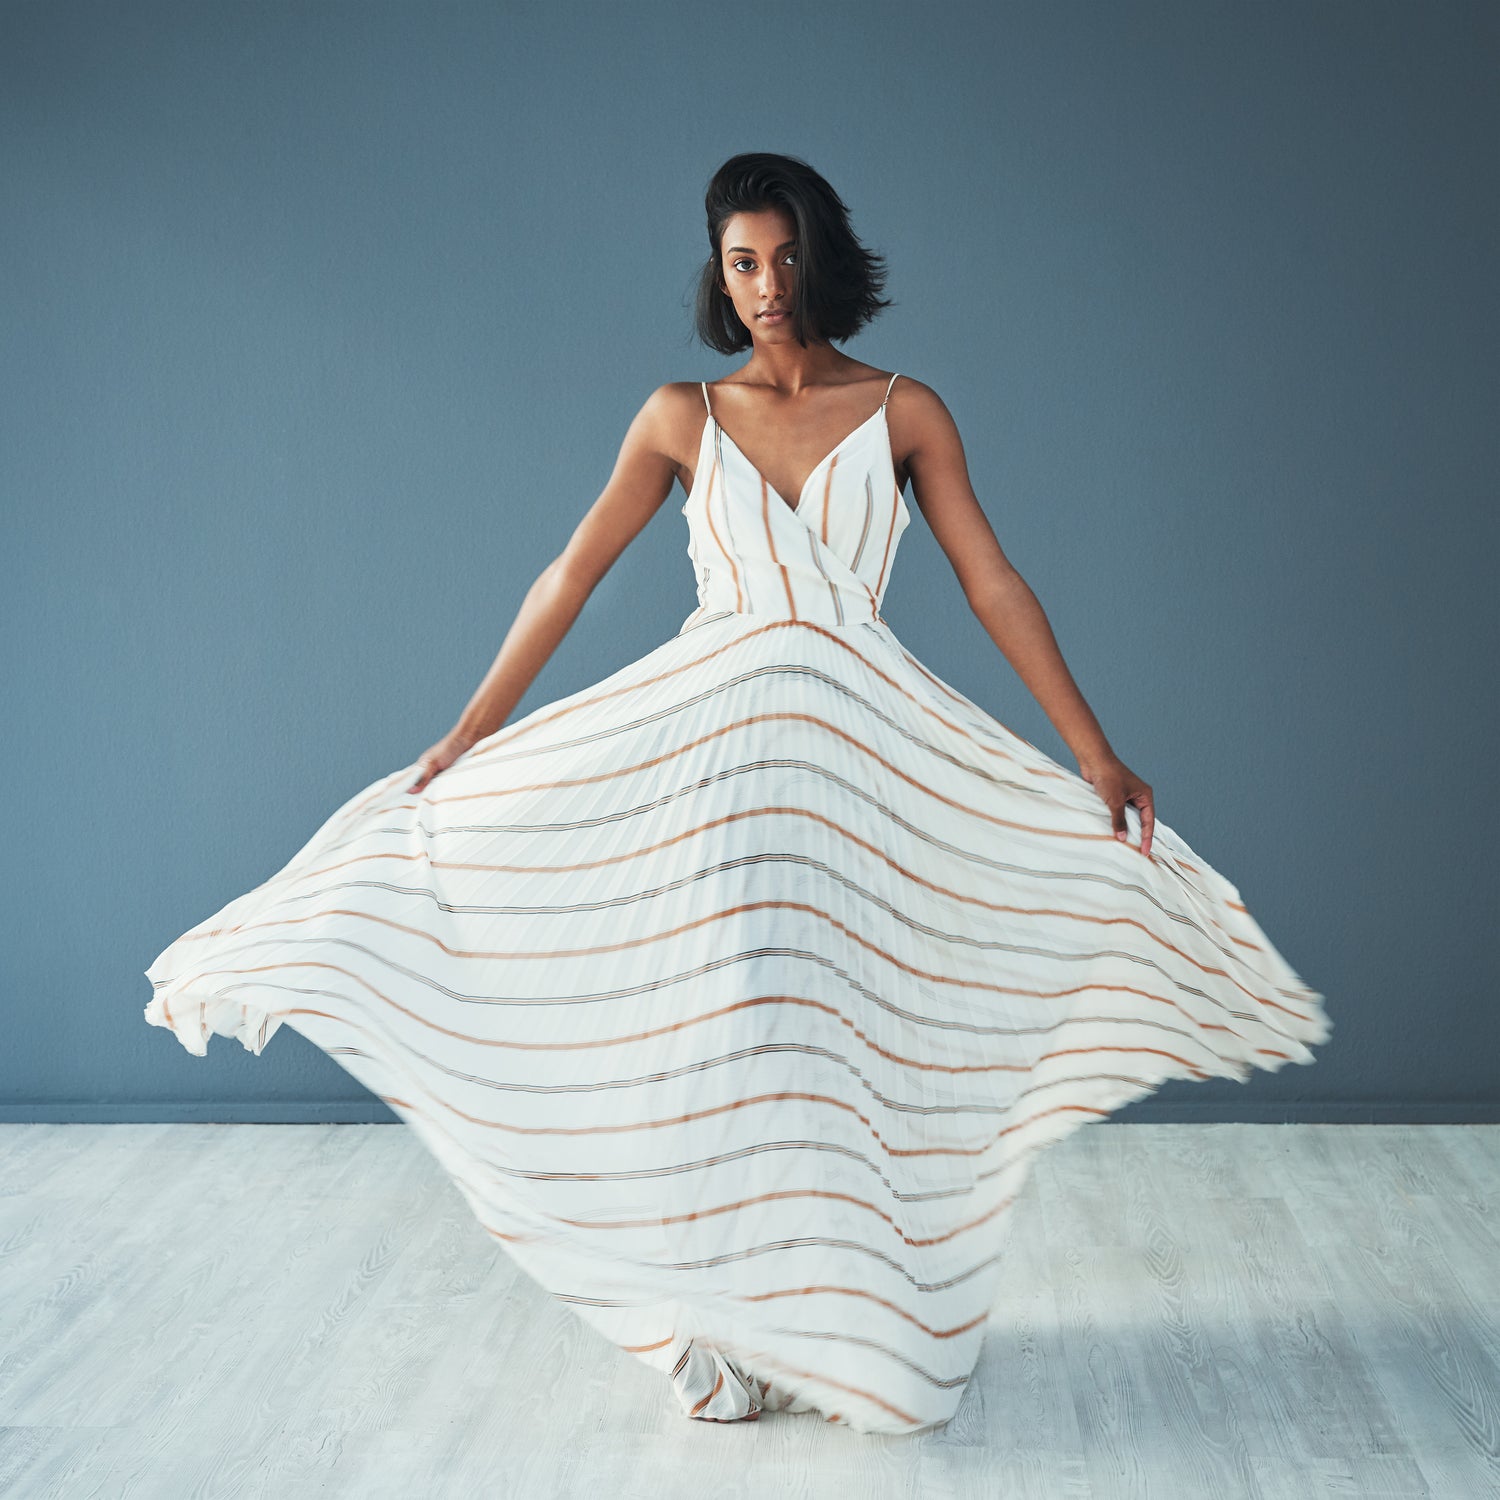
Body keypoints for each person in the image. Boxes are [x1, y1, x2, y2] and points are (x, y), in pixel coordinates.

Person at [145, 151, 1329, 1434]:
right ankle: (712, 1325)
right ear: (720, 275)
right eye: (739, 264)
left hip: (857, 757)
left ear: (822, 254)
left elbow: (995, 583)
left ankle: (838, 1321)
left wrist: (1092, 750)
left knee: (833, 1029)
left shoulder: (906, 410)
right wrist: (468, 733)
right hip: (712, 755)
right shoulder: (678, 415)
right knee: (720, 1028)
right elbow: (568, 576)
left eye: (782, 257)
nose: (765, 286)